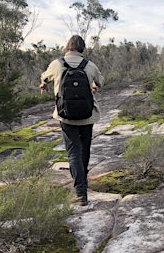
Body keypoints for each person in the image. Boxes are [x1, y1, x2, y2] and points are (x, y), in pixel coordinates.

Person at [40, 35, 104, 206]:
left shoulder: (57, 64)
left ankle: (81, 192)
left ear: (68, 47)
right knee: (85, 150)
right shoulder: (89, 66)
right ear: (82, 48)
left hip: (65, 116)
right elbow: (101, 82)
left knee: (73, 152)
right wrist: (93, 85)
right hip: (87, 115)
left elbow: (45, 77)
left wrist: (44, 84)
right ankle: (83, 183)